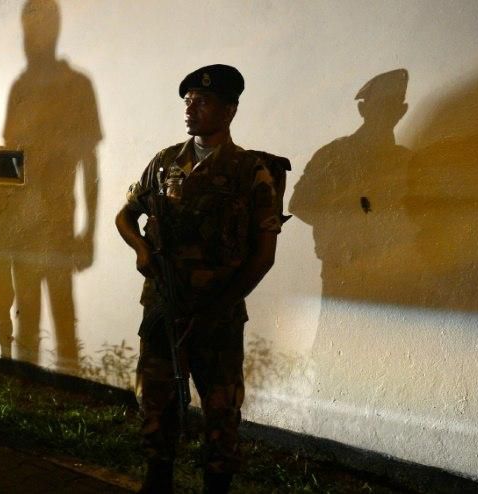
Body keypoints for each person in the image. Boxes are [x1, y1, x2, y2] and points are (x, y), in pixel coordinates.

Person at [115, 65, 285, 494]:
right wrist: (141, 250)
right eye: (188, 100)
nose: (191, 108)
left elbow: (263, 255)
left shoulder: (251, 172)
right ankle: (157, 481)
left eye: (202, 101)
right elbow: (125, 216)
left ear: (229, 110)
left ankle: (216, 485)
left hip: (218, 313)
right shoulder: (166, 161)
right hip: (164, 307)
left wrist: (221, 304)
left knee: (221, 409)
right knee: (155, 401)